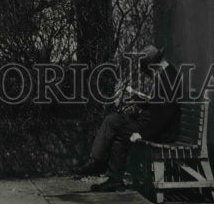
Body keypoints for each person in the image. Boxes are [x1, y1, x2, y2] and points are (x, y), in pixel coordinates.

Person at [77, 44, 181, 192]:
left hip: (160, 131)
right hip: (149, 122)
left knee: (121, 132)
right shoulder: (164, 74)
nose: (149, 74)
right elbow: (157, 106)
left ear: (155, 64)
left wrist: (142, 135)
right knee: (112, 119)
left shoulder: (169, 78)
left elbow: (165, 115)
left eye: (148, 69)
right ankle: (97, 161)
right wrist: (137, 98)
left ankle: (111, 177)